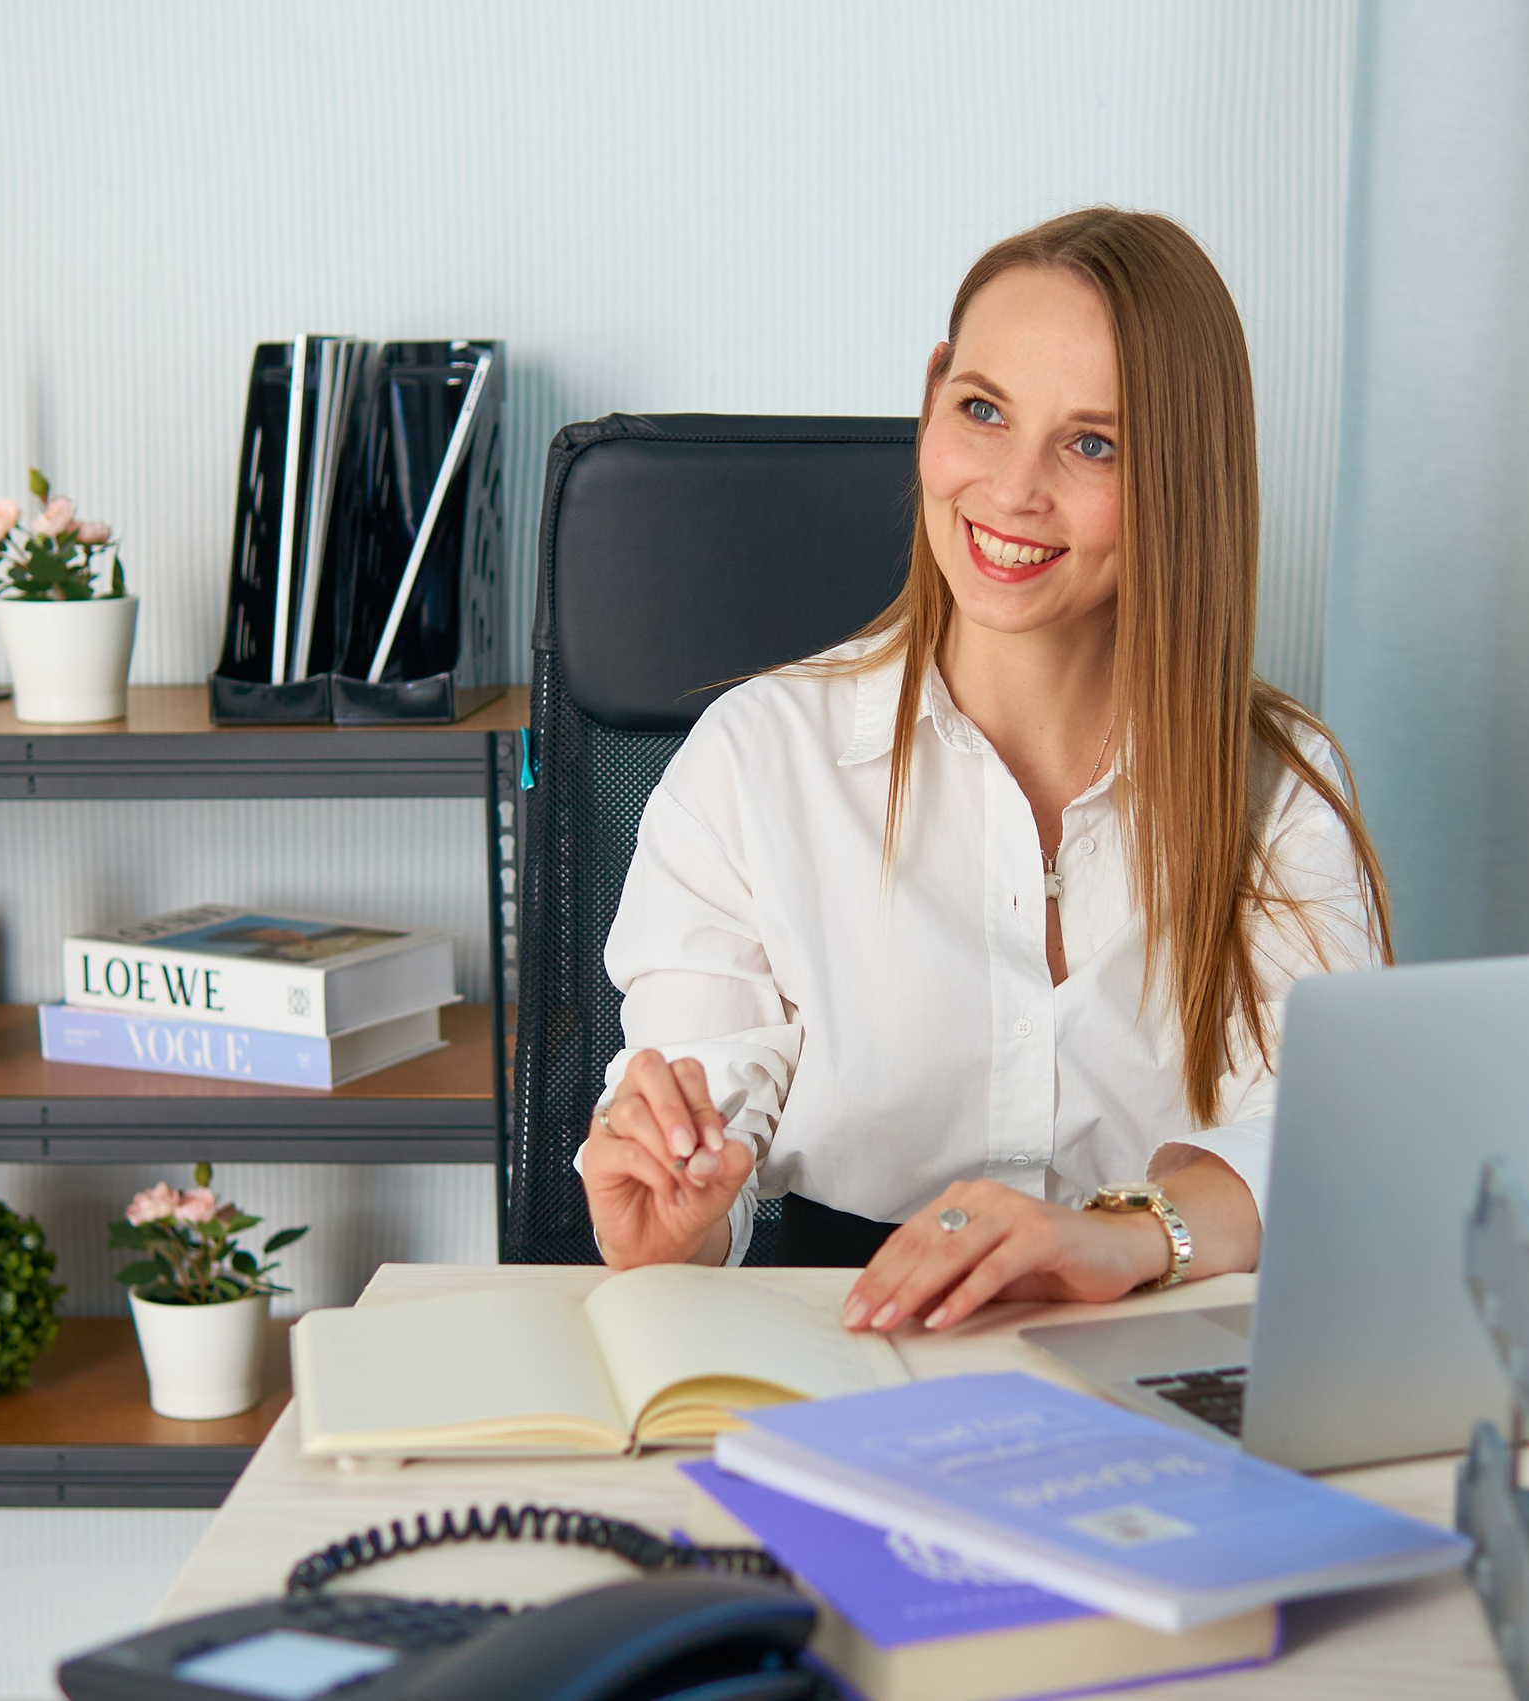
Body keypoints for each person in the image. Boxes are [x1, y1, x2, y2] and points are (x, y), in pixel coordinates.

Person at [577, 208, 1392, 1335]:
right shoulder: (755, 762)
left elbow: (1327, 1142)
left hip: (1161, 1337)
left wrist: (1123, 1234)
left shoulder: (1278, 792)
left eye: (1092, 443)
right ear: (931, 398)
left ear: (1181, 478)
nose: (1013, 490)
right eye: (983, 410)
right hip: (846, 1338)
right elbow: (705, 1095)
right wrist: (680, 1221)